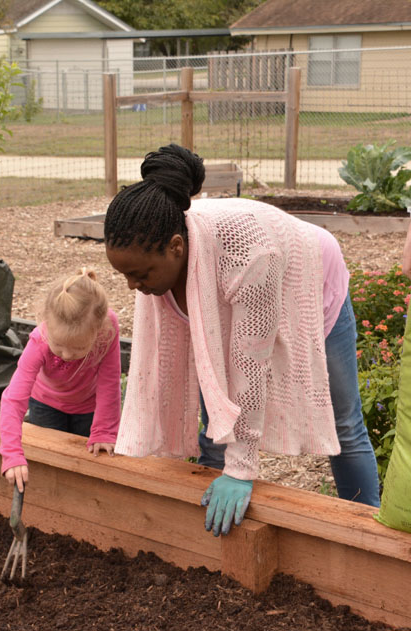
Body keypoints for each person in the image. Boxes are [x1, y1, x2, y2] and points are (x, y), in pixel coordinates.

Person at [104, 143, 381, 537]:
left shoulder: (249, 256)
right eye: (124, 276)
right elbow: (216, 400)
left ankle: (369, 529)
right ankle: (212, 532)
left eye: (140, 275)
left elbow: (252, 368)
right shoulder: (154, 257)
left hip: (309, 278)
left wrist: (242, 469)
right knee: (216, 427)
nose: (134, 286)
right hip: (243, 278)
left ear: (176, 249)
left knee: (345, 422)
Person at [0, 268, 121, 492]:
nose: (65, 355)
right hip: (46, 403)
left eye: (78, 348)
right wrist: (12, 452)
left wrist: (104, 430)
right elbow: (13, 399)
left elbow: (109, 381)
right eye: (59, 345)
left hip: (88, 405)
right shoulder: (39, 342)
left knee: (88, 462)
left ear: (98, 331)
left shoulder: (107, 328)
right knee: (51, 460)